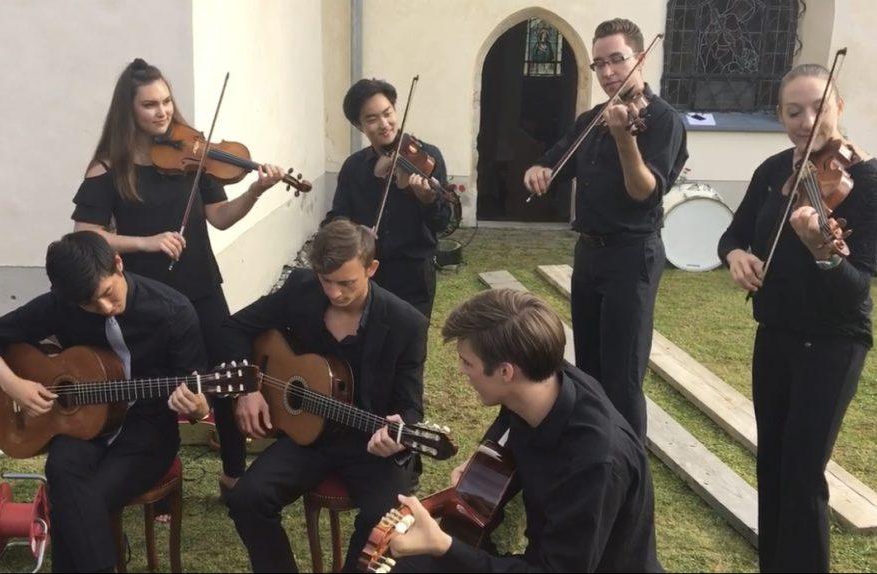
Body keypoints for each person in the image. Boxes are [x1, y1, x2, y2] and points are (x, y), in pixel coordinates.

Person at [71, 58, 287, 496]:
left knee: (225, 377)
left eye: (166, 101)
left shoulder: (196, 154)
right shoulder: (109, 166)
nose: (162, 112)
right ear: (127, 110)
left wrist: (254, 190)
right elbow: (85, 235)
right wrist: (147, 242)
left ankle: (233, 475)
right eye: (150, 104)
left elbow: (221, 218)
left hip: (201, 286)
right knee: (155, 386)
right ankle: (152, 472)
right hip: (143, 295)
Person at [717, 63, 877, 572]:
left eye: (818, 107)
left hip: (834, 343)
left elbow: (856, 286)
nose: (807, 120)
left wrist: (822, 252)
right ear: (780, 116)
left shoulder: (865, 179)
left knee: (803, 473)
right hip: (775, 335)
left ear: (839, 107)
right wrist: (735, 257)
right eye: (794, 111)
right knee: (771, 465)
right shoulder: (774, 171)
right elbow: (734, 233)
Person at [0, 231, 209, 573]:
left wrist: (198, 407)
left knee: (82, 499)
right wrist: (16, 386)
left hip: (147, 432)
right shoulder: (62, 303)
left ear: (118, 263)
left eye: (108, 294)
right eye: (89, 305)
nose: (105, 308)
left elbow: (198, 392)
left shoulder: (173, 311)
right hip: (79, 425)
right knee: (62, 470)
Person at [388, 289, 662, 572]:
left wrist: (444, 546)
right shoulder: (542, 379)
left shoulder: (595, 463)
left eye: (467, 362)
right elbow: (509, 411)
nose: (461, 370)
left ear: (506, 372)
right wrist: (486, 454)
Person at [222, 219, 428, 572]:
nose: (334, 293)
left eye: (346, 282)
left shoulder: (406, 322)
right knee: (247, 498)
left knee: (385, 521)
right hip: (308, 438)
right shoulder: (302, 288)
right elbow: (235, 327)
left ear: (372, 268)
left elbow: (410, 407)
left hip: (369, 443)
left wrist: (399, 430)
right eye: (326, 281)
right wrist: (250, 388)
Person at [524, 18, 687, 439]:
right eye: (599, 64)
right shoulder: (591, 119)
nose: (609, 72)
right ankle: (597, 449)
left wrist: (623, 138)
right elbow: (554, 163)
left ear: (641, 58)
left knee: (624, 373)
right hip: (590, 252)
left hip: (632, 255)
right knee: (590, 365)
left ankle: (629, 469)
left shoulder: (663, 121)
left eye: (617, 60)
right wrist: (539, 171)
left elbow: (644, 192)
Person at [325, 78, 453, 318]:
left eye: (388, 113)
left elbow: (443, 222)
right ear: (359, 125)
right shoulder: (354, 167)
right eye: (372, 119)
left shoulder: (427, 156)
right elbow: (337, 217)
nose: (384, 124)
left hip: (414, 273)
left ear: (396, 110)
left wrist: (427, 199)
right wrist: (356, 232)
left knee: (410, 347)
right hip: (368, 274)